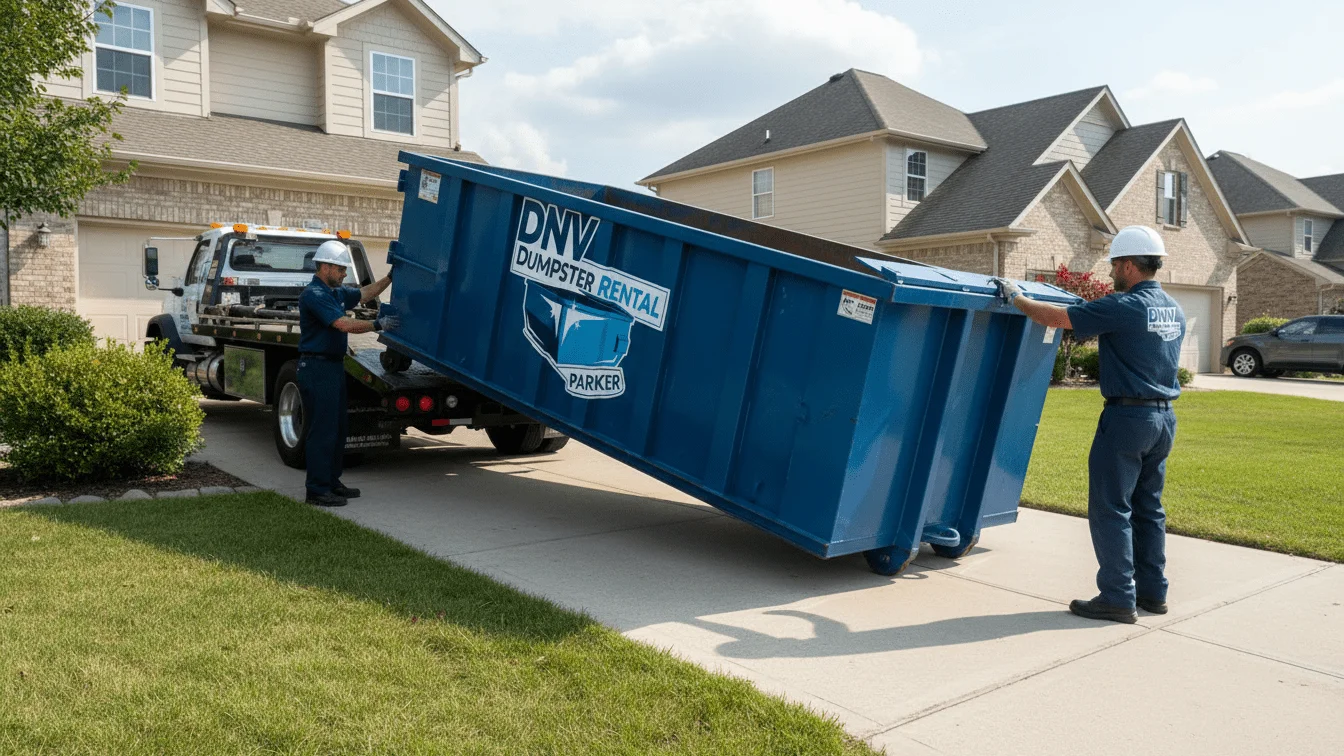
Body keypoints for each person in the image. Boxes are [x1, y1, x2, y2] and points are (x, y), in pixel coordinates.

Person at [994, 225, 1184, 624]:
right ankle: (1153, 593)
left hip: (1128, 418)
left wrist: (1017, 297)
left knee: (1111, 506)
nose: (1112, 271)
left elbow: (1055, 317)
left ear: (1129, 265)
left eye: (1115, 264)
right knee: (1148, 507)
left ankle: (1117, 596)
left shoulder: (1125, 305)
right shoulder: (1173, 307)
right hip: (1163, 418)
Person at [298, 239, 397, 507]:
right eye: (341, 269)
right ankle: (317, 490)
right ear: (326, 267)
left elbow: (365, 294)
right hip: (317, 368)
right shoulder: (314, 295)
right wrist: (377, 324)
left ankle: (332, 482)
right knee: (323, 430)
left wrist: (390, 277)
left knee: (338, 428)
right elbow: (342, 324)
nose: (344, 275)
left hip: (331, 366)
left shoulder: (335, 292)